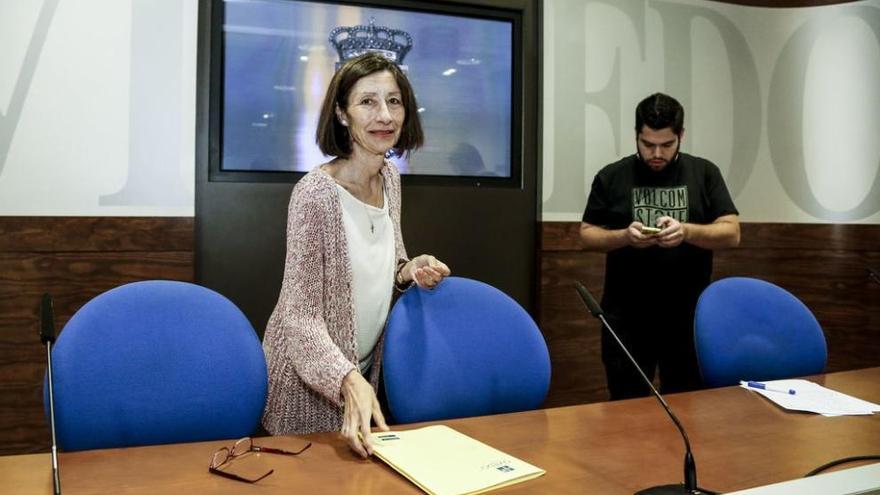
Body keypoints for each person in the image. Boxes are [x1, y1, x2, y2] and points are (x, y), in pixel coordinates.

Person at [261, 52, 451, 457]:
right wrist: (346, 378)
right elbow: (299, 317)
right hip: (305, 393)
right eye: (367, 101)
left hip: (361, 379)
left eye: (394, 101)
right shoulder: (315, 194)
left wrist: (409, 269)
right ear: (342, 114)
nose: (385, 115)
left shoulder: (390, 178)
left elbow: (387, 260)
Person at [580, 93, 740, 400]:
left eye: (666, 145)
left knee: (685, 406)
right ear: (636, 135)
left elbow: (732, 233)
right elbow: (587, 235)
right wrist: (625, 237)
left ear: (681, 135)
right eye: (647, 143)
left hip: (688, 318)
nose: (656, 153)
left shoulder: (704, 173)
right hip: (625, 317)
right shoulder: (612, 176)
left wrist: (687, 231)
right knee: (626, 412)